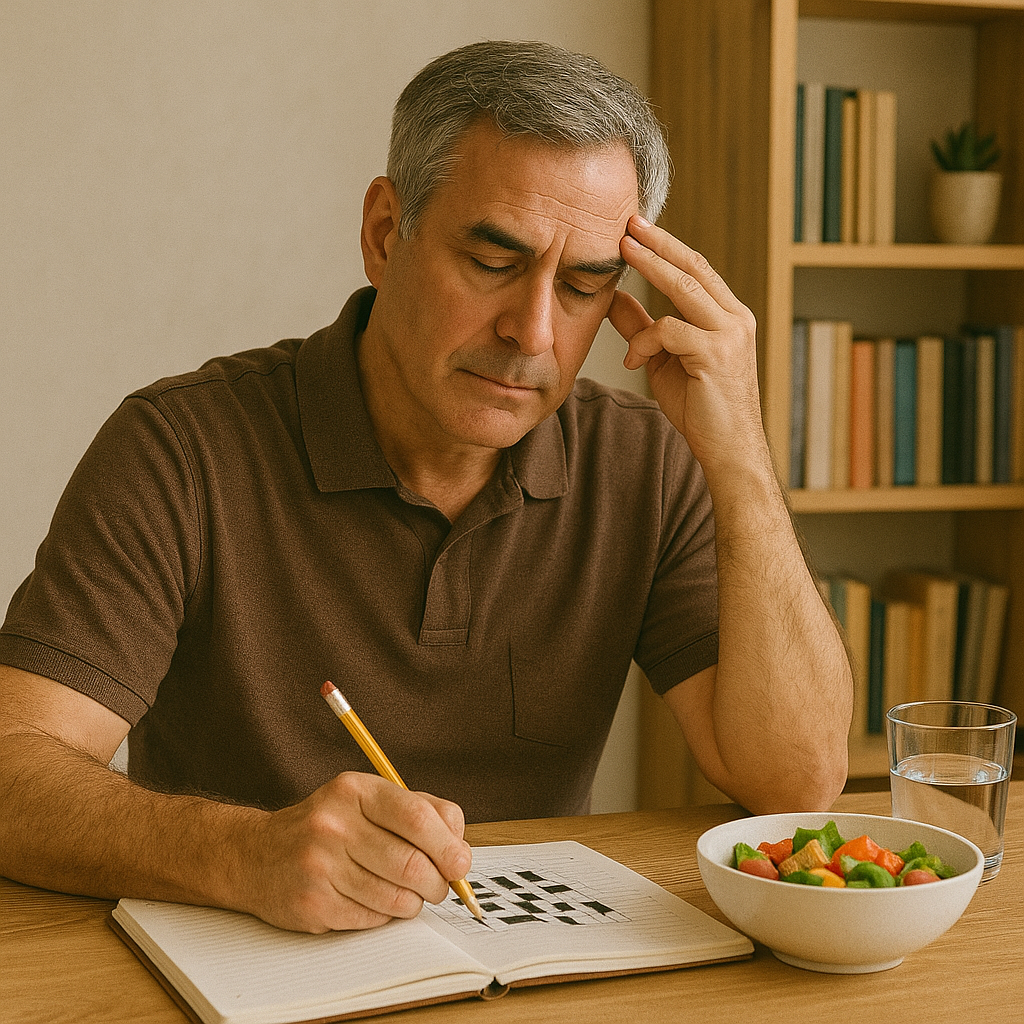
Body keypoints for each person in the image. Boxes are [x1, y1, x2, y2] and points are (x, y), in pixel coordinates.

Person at [0, 40, 852, 934]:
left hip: (522, 970)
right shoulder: (181, 447)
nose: (531, 332)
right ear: (382, 234)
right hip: (247, 970)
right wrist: (239, 852)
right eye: (493, 262)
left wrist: (742, 455)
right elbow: (15, 767)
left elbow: (795, 780)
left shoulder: (644, 459)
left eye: (584, 285)